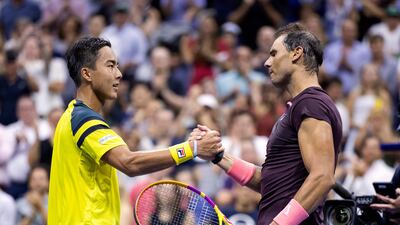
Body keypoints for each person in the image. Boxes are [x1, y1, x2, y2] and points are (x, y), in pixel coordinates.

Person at [47, 37, 223, 224]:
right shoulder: (84, 119)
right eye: (110, 66)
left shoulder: (71, 116)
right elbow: (129, 163)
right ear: (87, 74)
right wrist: (191, 149)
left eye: (118, 66)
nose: (119, 74)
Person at [196, 23, 343, 225]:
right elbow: (270, 183)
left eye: (274, 54)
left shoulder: (311, 104)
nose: (266, 62)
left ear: (296, 53)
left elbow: (322, 177)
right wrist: (219, 156)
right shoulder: (300, 106)